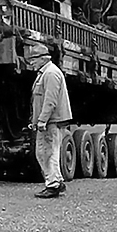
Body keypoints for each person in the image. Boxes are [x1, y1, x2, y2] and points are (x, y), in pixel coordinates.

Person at [27, 41, 72, 198]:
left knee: (47, 152)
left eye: (33, 59)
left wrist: (42, 120)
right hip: (49, 121)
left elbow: (50, 101)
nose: (31, 63)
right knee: (47, 152)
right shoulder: (46, 73)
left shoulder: (50, 74)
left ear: (43, 58)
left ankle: (53, 185)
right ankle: (57, 181)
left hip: (50, 121)